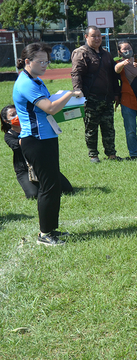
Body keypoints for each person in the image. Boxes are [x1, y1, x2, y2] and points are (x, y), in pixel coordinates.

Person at [13, 43, 82, 245]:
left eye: (47, 61)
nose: (45, 65)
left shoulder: (36, 80)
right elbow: (50, 108)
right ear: (27, 62)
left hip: (47, 138)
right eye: (40, 61)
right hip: (35, 141)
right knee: (48, 186)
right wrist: (70, 94)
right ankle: (44, 234)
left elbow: (48, 106)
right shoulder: (26, 83)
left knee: (53, 186)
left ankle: (51, 230)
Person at [71, 25, 121, 163]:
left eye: (99, 36)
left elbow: (113, 75)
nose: (97, 38)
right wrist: (77, 90)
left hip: (107, 98)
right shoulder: (81, 53)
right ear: (86, 37)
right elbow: (76, 74)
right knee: (91, 128)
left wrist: (116, 93)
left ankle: (111, 154)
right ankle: (93, 155)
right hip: (90, 98)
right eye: (94, 36)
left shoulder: (106, 54)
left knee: (109, 128)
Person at [2, 104, 73, 199]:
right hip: (25, 169)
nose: (17, 116)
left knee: (67, 189)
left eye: (18, 112)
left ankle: (43, 182)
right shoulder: (9, 136)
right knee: (33, 195)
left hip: (41, 164)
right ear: (6, 121)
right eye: (13, 115)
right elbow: (17, 146)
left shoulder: (33, 126)